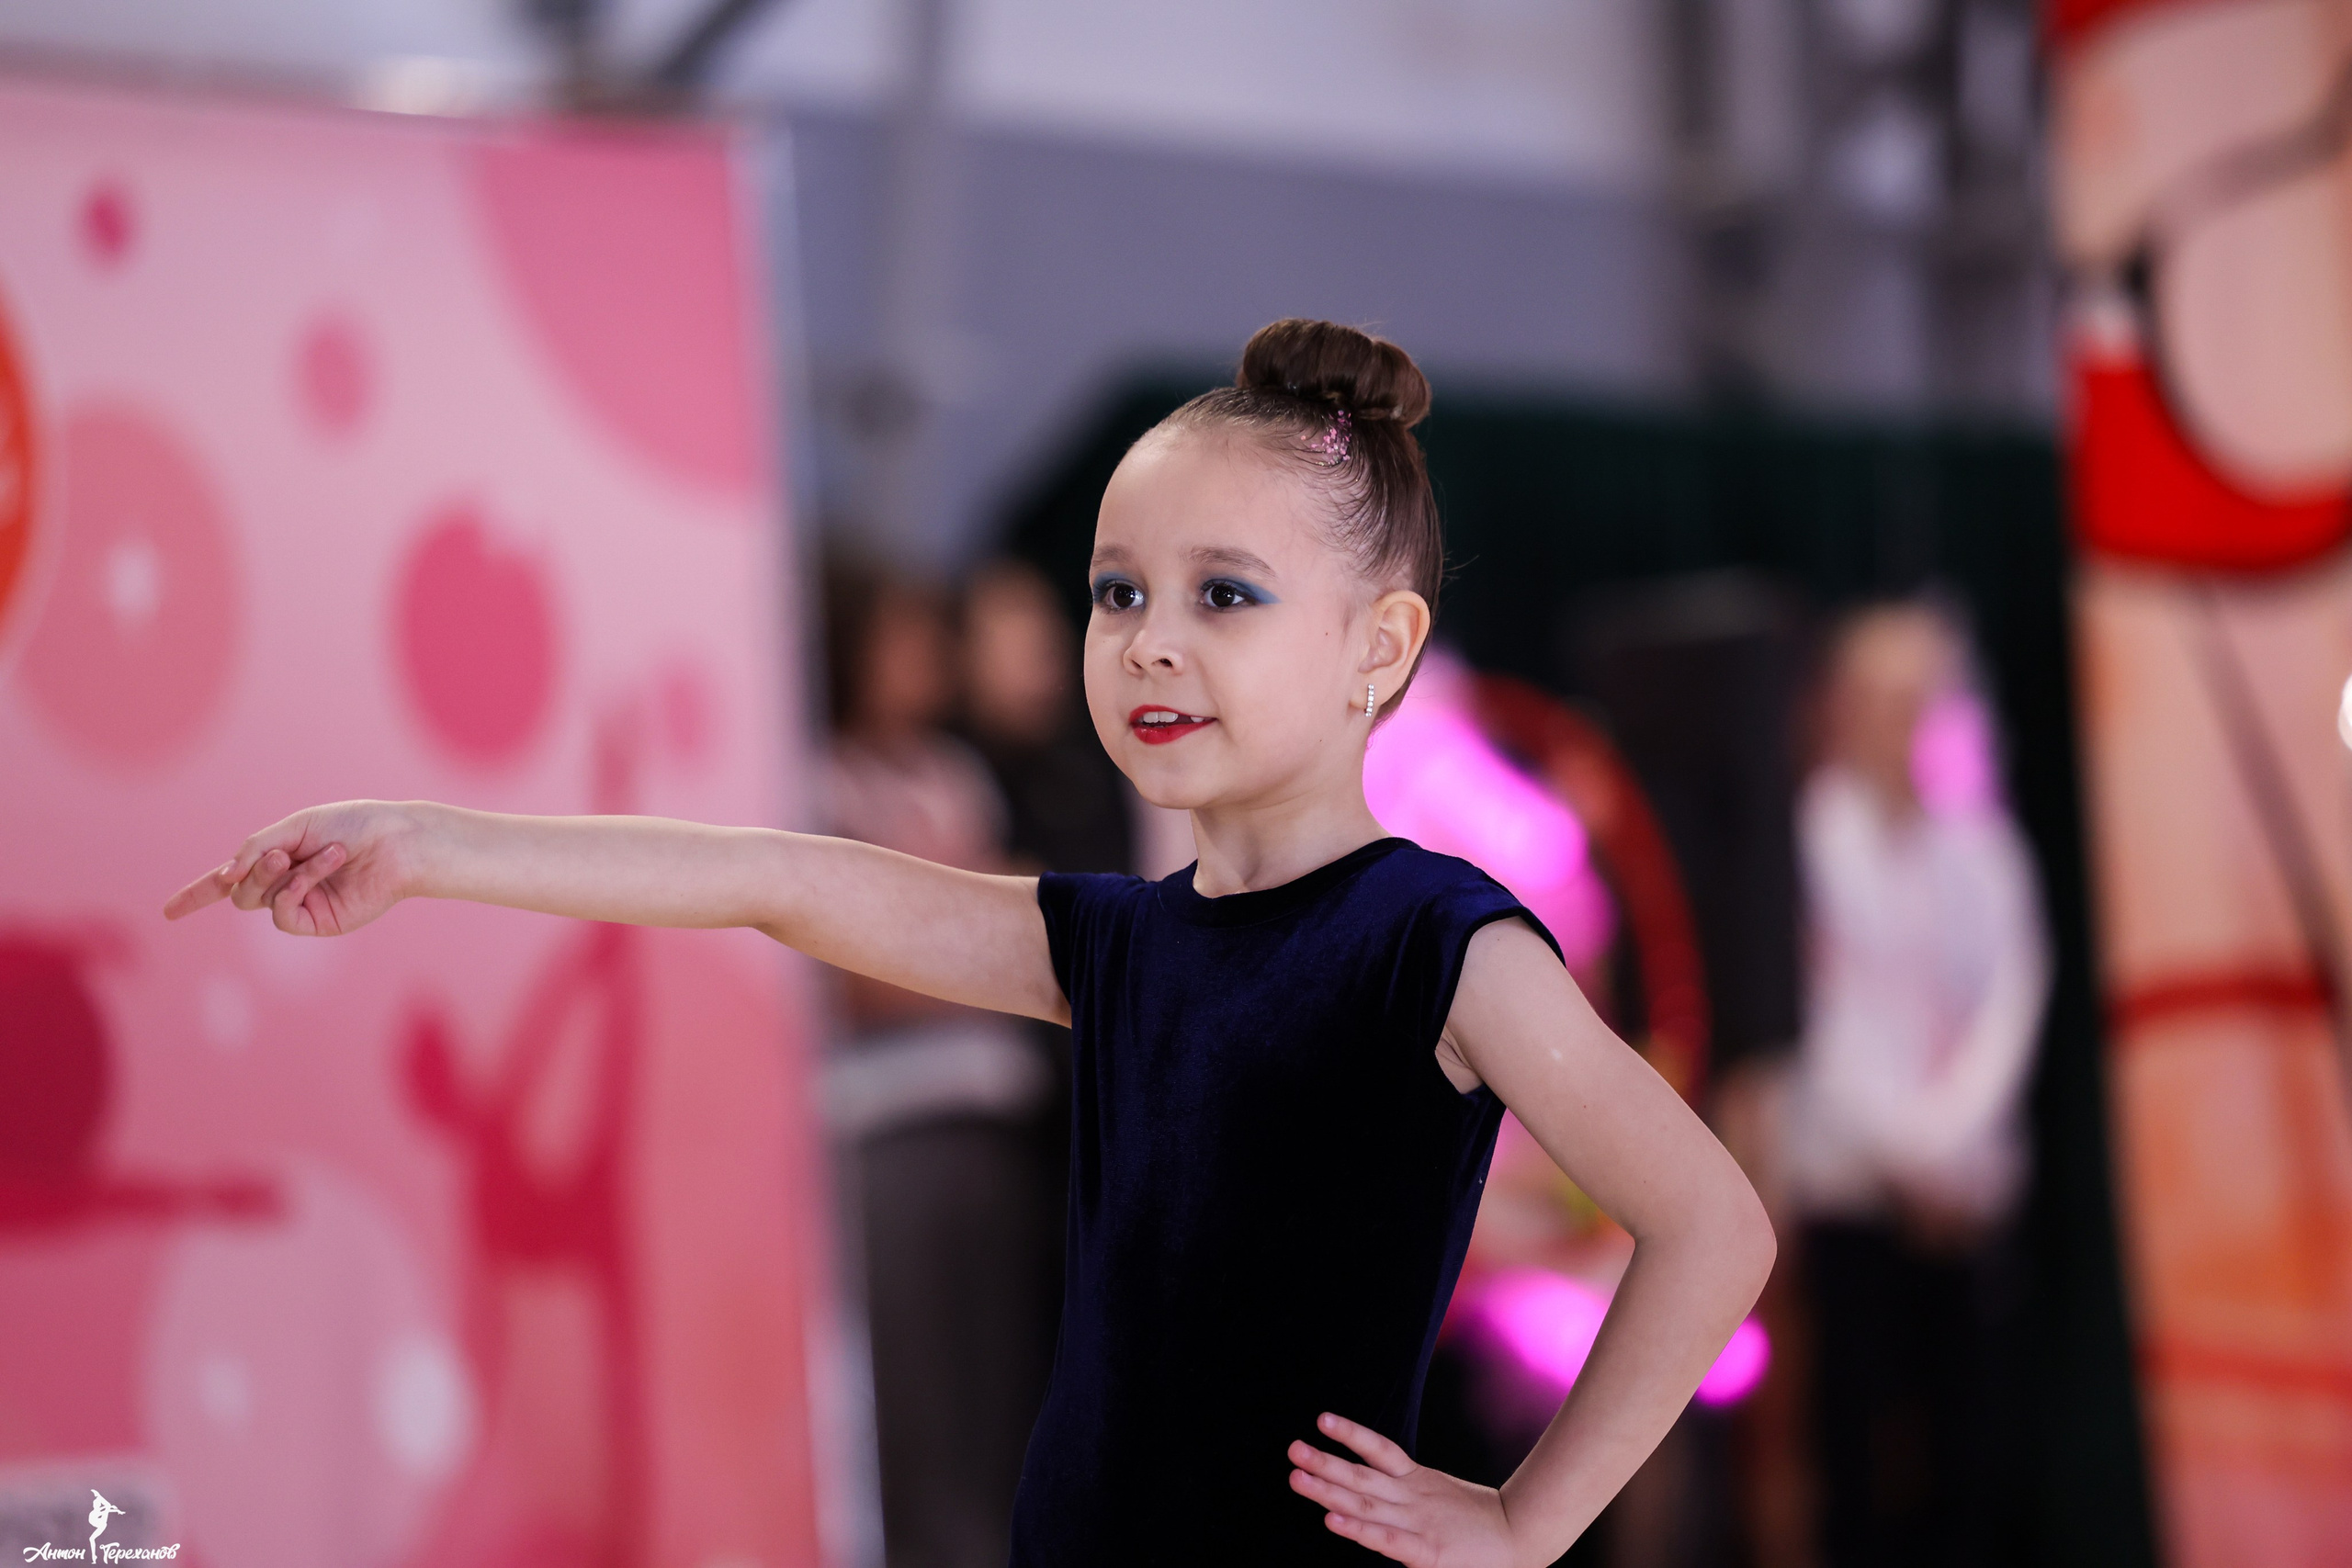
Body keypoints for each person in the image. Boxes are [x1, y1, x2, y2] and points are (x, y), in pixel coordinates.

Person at [164, 318, 1775, 1566]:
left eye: (1225, 596)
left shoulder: (1438, 943)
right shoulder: (1120, 944)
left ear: (1381, 648)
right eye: (1116, 590)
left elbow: (1711, 1225)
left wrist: (1524, 1519)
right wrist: (426, 842)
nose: (1149, 638)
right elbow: (775, 878)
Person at [1781, 601, 2049, 1568]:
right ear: (1840, 705)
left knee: (1969, 1459)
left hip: (1967, 1197)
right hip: (1854, 1195)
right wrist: (1906, 1155)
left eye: (1923, 696)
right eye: (1884, 695)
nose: (1905, 717)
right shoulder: (1805, 846)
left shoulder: (1982, 850)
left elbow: (2011, 1004)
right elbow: (1822, 1028)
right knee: (1851, 1457)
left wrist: (1948, 1147)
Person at [819, 554, 1054, 1568]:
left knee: (1004, 1405)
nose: (928, 656)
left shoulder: (951, 772)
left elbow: (1033, 922)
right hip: (885, 1136)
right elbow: (847, 970)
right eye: (902, 635)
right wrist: (976, 929)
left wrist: (931, 930)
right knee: (917, 1415)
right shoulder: (811, 777)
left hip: (997, 1129)